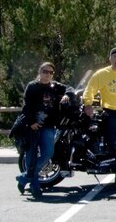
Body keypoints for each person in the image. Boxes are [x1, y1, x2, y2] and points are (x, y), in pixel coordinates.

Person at [15, 62, 74, 198]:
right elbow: (26, 106)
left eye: (50, 72)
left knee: (48, 153)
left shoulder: (55, 86)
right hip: (33, 127)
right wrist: (31, 123)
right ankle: (35, 187)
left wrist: (67, 95)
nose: (47, 74)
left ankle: (24, 178)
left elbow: (69, 88)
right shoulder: (32, 87)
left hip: (49, 126)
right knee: (31, 157)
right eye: (45, 71)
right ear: (39, 71)